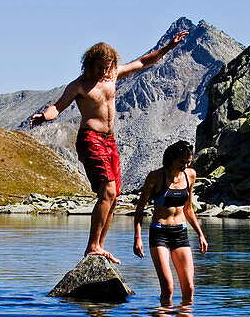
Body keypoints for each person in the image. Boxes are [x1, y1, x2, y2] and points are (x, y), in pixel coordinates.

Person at [29, 32, 188, 263]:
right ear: (89, 65)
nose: (104, 72)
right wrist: (45, 116)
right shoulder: (79, 85)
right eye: (99, 68)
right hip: (90, 138)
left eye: (108, 67)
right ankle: (92, 246)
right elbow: (58, 106)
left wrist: (168, 47)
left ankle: (100, 246)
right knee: (108, 192)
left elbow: (143, 62)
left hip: (110, 141)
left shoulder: (112, 76)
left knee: (114, 198)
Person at [133, 139, 208, 306]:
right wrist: (138, 237)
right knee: (168, 288)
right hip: (159, 232)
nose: (185, 166)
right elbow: (139, 209)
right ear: (173, 158)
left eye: (188, 162)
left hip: (180, 232)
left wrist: (200, 234)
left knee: (188, 287)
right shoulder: (156, 177)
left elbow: (188, 209)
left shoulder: (190, 175)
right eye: (182, 162)